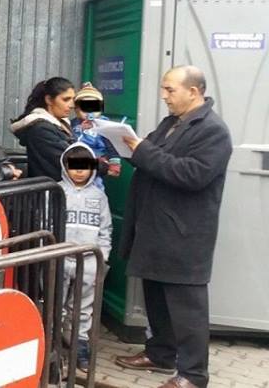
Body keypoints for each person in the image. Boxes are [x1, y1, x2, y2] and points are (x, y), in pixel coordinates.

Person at [114, 66, 232, 388]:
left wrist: (142, 150)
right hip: (155, 229)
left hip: (183, 234)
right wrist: (126, 147)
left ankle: (193, 375)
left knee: (187, 310)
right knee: (156, 298)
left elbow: (193, 174)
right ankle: (160, 354)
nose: (163, 96)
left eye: (170, 90)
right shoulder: (172, 122)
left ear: (193, 92)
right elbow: (150, 156)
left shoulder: (213, 130)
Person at [58, 143, 111, 373]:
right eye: (74, 166)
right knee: (56, 304)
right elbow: (46, 223)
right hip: (60, 259)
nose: (79, 171)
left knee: (83, 306)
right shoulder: (57, 192)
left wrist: (102, 257)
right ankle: (54, 344)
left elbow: (106, 229)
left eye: (84, 166)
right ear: (65, 167)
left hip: (88, 262)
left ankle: (80, 346)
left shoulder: (99, 197)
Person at [10, 77, 76, 181]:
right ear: (49, 100)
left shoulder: (61, 124)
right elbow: (69, 161)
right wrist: (100, 165)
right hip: (52, 188)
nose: (72, 105)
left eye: (73, 99)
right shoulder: (41, 129)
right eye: (66, 99)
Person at [70, 82, 121, 189]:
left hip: (97, 162)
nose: (89, 111)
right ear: (76, 109)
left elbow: (112, 145)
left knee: (96, 186)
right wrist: (81, 130)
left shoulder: (104, 124)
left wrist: (114, 163)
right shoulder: (73, 124)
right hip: (76, 163)